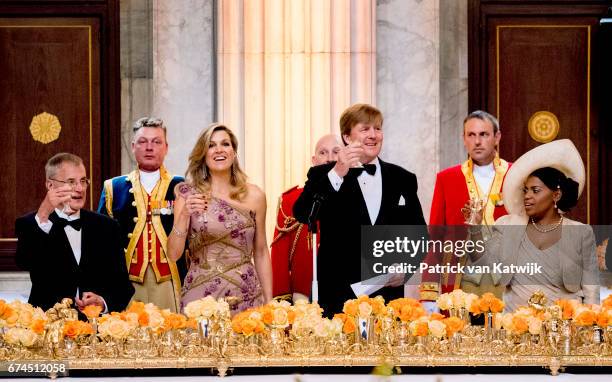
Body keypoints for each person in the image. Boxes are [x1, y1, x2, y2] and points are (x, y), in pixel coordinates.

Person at [293, 103, 426, 316]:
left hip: (389, 300)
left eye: (377, 129)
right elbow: (302, 213)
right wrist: (338, 172)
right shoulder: (323, 174)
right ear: (347, 137)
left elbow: (419, 235)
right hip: (338, 298)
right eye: (365, 129)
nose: (373, 135)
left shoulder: (403, 178)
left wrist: (405, 270)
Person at [467, 139, 599, 311]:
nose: (527, 196)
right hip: (515, 326)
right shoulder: (508, 225)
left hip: (565, 329)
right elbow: (482, 264)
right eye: (525, 190)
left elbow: (591, 290)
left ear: (556, 195)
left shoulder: (581, 232)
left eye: (535, 191)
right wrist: (475, 228)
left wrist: (590, 327)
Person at [167, 123, 273, 315]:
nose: (219, 150)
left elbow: (261, 251)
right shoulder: (188, 194)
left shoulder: (255, 196)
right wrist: (184, 214)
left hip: (245, 293)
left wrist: (269, 300)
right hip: (200, 296)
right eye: (211, 145)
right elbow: (173, 254)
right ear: (203, 154)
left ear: (234, 152)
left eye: (225, 144)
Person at [15, 153, 134, 312]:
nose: (79, 188)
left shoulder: (107, 226)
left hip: (95, 329)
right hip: (47, 329)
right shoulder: (30, 224)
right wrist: (43, 214)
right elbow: (25, 261)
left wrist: (103, 302)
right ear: (51, 186)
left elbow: (123, 286)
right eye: (71, 182)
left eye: (83, 181)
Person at [420, 110, 510, 306]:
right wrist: (429, 295)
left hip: (508, 280)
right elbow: (435, 239)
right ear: (463, 139)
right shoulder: (447, 178)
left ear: (497, 137)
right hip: (459, 279)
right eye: (471, 135)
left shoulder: (516, 175)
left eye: (484, 134)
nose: (477, 141)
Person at [98, 117, 185, 312]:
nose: (149, 147)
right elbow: (101, 242)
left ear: (166, 147)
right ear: (133, 146)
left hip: (169, 279)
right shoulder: (113, 187)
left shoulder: (181, 187)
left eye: (156, 142)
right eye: (143, 141)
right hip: (127, 281)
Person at [271, 134, 341, 303]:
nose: (329, 158)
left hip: (348, 292)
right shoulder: (291, 200)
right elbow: (279, 254)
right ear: (314, 159)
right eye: (323, 153)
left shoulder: (358, 196)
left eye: (336, 152)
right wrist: (282, 299)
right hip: (304, 296)